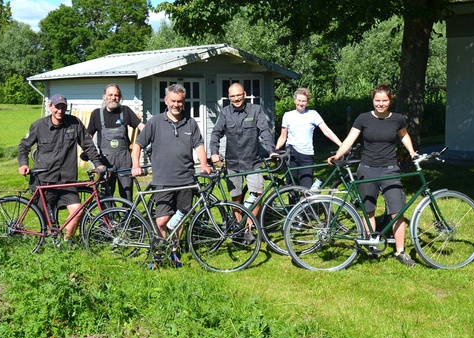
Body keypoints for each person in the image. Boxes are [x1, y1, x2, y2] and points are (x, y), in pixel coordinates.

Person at [328, 83, 419, 266]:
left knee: (397, 211)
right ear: (373, 100)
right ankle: (372, 247)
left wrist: (412, 152)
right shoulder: (363, 118)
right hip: (367, 169)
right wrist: (338, 155)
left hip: (390, 169)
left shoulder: (397, 119)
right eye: (377, 100)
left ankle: (400, 252)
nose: (381, 104)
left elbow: (404, 136)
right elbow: (350, 139)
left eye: (384, 100)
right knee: (369, 210)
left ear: (390, 100)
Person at [132, 84, 211, 267]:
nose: (176, 104)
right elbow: (138, 145)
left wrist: (205, 164)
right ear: (166, 101)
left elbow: (198, 145)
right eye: (173, 101)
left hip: (186, 179)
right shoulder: (155, 122)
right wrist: (136, 164)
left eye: (180, 101)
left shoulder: (190, 123)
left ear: (184, 102)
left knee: (180, 218)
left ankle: (173, 251)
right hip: (163, 179)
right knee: (162, 220)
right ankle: (161, 250)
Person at [18, 94, 105, 248]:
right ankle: (52, 244)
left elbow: (88, 145)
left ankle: (67, 241)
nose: (60, 110)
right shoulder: (38, 126)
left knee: (78, 212)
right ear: (50, 107)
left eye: (63, 107)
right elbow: (24, 146)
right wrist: (23, 164)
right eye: (57, 107)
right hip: (44, 179)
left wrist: (98, 164)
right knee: (48, 223)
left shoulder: (74, 123)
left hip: (67, 180)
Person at [210, 82, 277, 242]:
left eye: (238, 95)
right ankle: (238, 229)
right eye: (232, 96)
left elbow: (265, 132)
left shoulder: (255, 110)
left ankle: (250, 228)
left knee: (257, 195)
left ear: (244, 94)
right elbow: (215, 133)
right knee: (237, 199)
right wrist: (214, 153)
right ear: (229, 97)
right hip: (232, 163)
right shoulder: (225, 112)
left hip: (253, 162)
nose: (236, 99)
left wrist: (271, 150)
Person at [87, 84, 145, 201]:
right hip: (105, 160)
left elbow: (142, 127)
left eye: (116, 95)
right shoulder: (97, 114)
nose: (113, 97)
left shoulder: (126, 111)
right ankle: (107, 219)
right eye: (110, 95)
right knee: (106, 193)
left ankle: (127, 217)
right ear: (104, 96)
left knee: (127, 192)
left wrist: (152, 136)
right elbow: (88, 137)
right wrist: (87, 152)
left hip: (124, 160)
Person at [275, 88, 342, 188]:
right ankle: (292, 204)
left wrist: (342, 145)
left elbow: (326, 130)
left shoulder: (313, 114)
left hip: (307, 155)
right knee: (291, 188)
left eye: (304, 101)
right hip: (291, 154)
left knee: (306, 188)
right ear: (294, 101)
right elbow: (283, 136)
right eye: (299, 100)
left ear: (307, 102)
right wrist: (276, 150)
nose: (301, 103)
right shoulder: (288, 115)